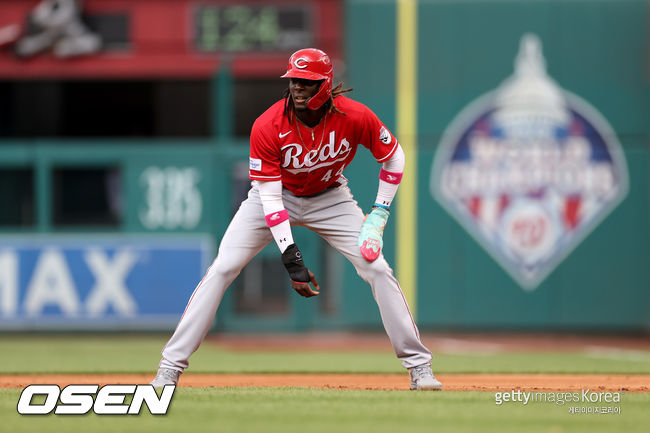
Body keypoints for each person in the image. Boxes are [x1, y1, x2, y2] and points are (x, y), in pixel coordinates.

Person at [151, 48, 442, 391]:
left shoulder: (355, 116)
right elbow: (272, 201)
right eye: (293, 81)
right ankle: (169, 368)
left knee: (376, 268)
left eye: (307, 82)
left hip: (331, 197)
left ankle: (419, 367)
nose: (297, 88)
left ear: (325, 85)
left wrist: (378, 212)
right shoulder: (268, 125)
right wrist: (292, 259)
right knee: (223, 267)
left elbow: (394, 158)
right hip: (272, 198)